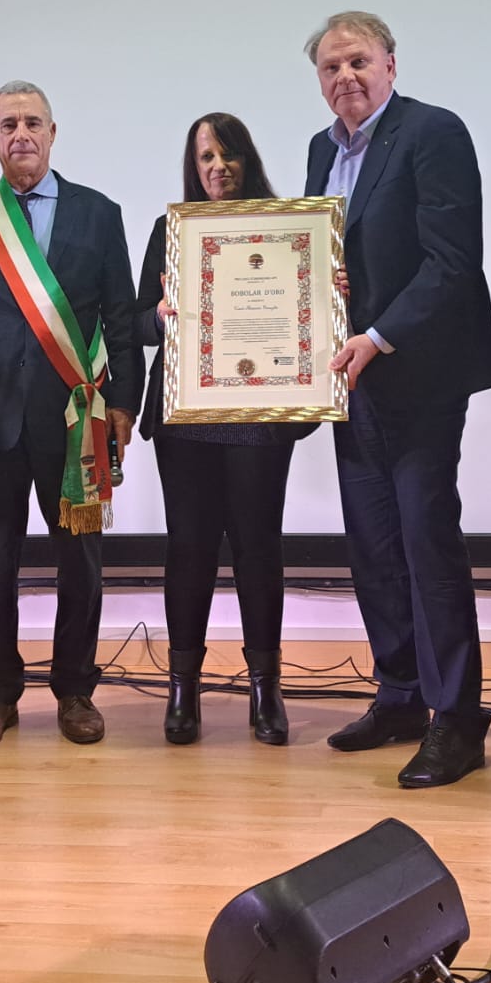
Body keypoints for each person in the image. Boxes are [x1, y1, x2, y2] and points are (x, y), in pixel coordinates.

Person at [303, 11, 491, 788]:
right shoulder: (324, 150)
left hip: (415, 373)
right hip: (348, 379)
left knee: (426, 541)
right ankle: (399, 695)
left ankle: (457, 718)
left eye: (358, 61)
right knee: (373, 543)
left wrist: (380, 333)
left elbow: (452, 262)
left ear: (390, 63)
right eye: (330, 68)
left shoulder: (433, 132)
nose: (345, 77)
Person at [0, 81, 142, 749]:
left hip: (76, 420)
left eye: (33, 122)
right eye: (8, 123)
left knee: (80, 559)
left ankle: (75, 689)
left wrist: (126, 405)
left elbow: (122, 319)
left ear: (54, 134)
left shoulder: (100, 214)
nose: (21, 133)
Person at [135, 113, 313, 745]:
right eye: (205, 156)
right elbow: (138, 323)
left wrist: (329, 293)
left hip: (258, 417)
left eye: (227, 153)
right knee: (189, 549)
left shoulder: (290, 230)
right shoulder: (172, 230)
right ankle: (184, 690)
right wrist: (159, 314)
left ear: (247, 159)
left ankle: (267, 690)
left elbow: (310, 313)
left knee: (258, 547)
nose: (217, 166)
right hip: (187, 417)